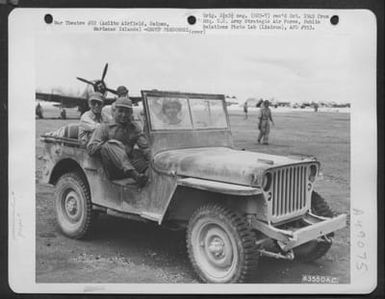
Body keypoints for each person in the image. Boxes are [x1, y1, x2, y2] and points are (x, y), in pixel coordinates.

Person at [87, 97, 150, 187]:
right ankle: (135, 176)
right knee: (110, 144)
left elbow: (145, 148)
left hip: (131, 164)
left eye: (127, 112)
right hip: (112, 168)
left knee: (142, 156)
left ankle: (146, 175)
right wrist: (109, 146)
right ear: (114, 111)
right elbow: (90, 149)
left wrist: (153, 162)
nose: (124, 115)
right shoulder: (105, 127)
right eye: (120, 111)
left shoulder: (134, 128)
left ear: (131, 113)